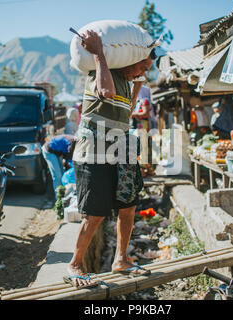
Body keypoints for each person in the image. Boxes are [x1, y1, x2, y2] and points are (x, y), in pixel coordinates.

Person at [65, 29, 154, 288]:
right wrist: (98, 53)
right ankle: (75, 263)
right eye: (140, 65)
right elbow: (105, 92)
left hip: (119, 153)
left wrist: (137, 84)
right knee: (94, 214)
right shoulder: (99, 71)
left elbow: (124, 113)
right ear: (128, 58)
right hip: (93, 154)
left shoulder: (127, 81)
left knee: (128, 207)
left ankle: (121, 259)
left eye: (145, 68)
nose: (141, 71)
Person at [42, 134, 76, 200]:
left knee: (63, 174)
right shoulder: (72, 144)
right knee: (57, 176)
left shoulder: (74, 140)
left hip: (57, 151)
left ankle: (64, 195)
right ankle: (58, 199)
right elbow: (69, 161)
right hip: (48, 151)